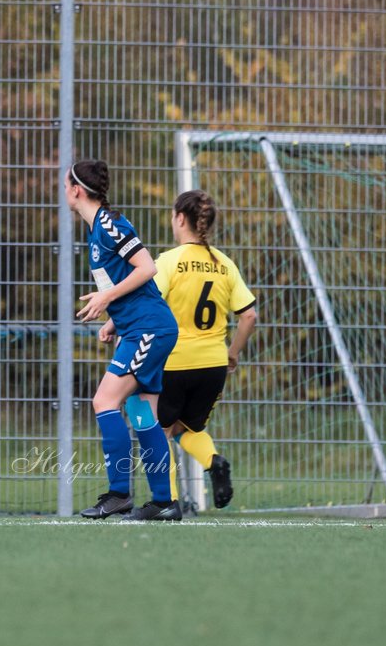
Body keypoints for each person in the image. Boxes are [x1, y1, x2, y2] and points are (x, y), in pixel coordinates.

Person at [67, 159, 181, 521]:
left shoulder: (110, 225)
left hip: (150, 329)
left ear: (76, 190)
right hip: (141, 327)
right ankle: (164, 503)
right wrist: (114, 321)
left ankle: (118, 494)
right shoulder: (96, 230)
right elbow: (136, 285)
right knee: (141, 411)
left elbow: (147, 268)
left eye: (64, 186)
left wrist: (105, 299)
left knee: (104, 401)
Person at [154, 190, 258, 510]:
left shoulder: (169, 261)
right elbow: (249, 315)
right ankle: (214, 461)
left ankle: (167, 501)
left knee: (158, 431)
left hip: (174, 361)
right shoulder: (224, 264)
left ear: (180, 218)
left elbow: (150, 306)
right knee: (187, 427)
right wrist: (233, 353)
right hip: (213, 363)